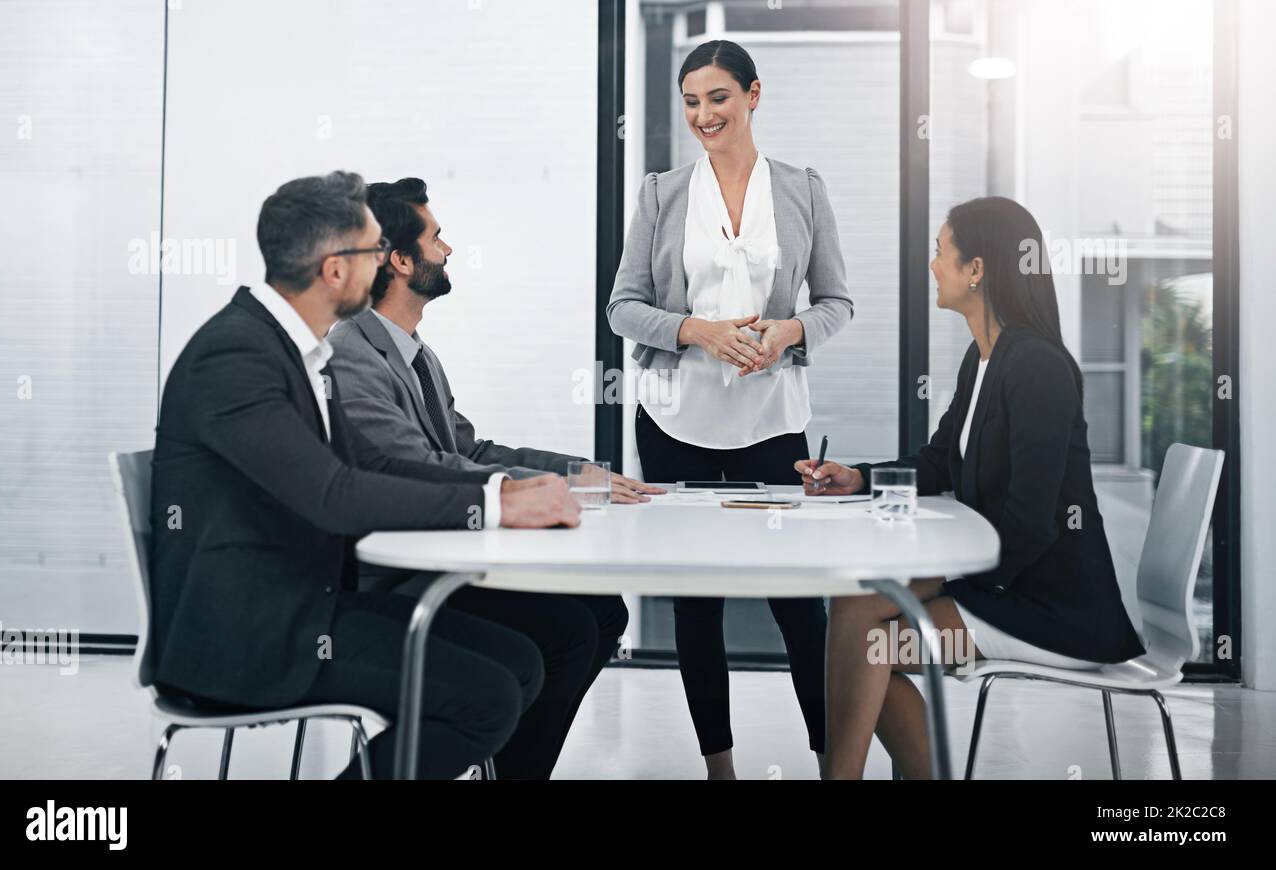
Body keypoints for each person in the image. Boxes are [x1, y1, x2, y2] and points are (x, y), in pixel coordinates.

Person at [149, 170, 583, 779]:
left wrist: (501, 489)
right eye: (374, 250)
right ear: (333, 269)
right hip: (249, 636)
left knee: (522, 662)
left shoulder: (301, 351)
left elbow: (372, 465)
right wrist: (499, 508)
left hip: (308, 605)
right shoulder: (238, 354)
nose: (384, 263)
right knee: (484, 697)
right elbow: (333, 495)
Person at [797, 196, 1145, 780]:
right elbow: (939, 462)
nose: (932, 264)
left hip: (1049, 608)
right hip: (1007, 583)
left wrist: (943, 576)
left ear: (977, 270)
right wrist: (858, 477)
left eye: (941, 251)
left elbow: (1030, 525)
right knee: (855, 612)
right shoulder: (982, 358)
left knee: (863, 645)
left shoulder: (1037, 367)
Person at [328, 176, 661, 778]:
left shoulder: (415, 353)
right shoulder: (352, 353)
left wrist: (572, 473)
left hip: (441, 553)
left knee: (603, 611)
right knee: (565, 631)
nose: (449, 249)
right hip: (392, 578)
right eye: (437, 237)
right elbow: (422, 470)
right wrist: (536, 492)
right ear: (400, 260)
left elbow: (469, 448)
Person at [606, 39, 853, 779]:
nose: (703, 114)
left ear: (752, 94)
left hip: (772, 423)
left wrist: (791, 330)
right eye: (690, 101)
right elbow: (622, 308)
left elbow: (838, 303)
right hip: (676, 423)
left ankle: (829, 762)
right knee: (696, 603)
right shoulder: (661, 194)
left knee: (798, 607)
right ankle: (721, 770)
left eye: (717, 97)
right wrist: (695, 330)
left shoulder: (804, 189)